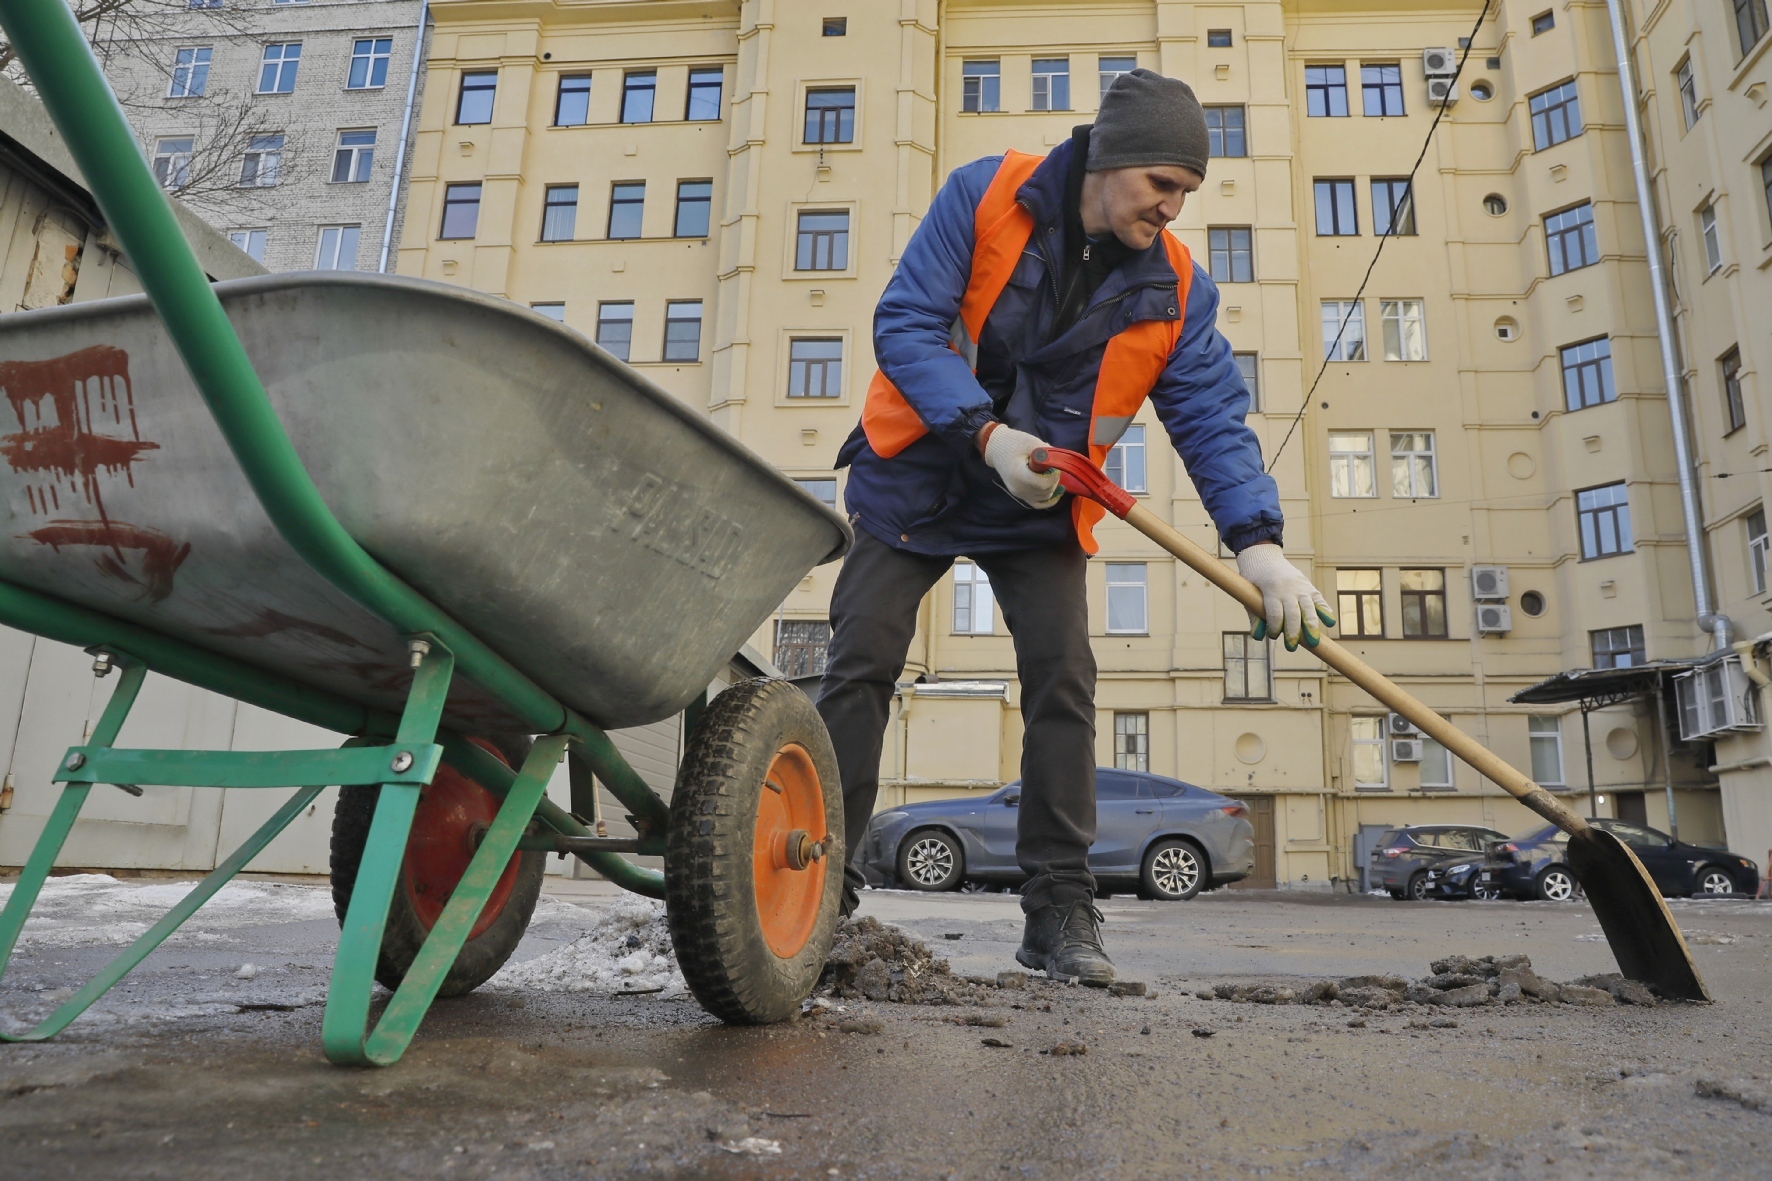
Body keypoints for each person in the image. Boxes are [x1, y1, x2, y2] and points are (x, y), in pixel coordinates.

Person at [817, 69, 1333, 984]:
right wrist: (984, 432)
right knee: (859, 667)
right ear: (1110, 159)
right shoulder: (984, 194)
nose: (1174, 209)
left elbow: (1211, 418)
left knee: (1065, 682)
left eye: (1186, 192)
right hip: (921, 475)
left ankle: (1059, 911)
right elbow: (905, 325)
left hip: (1040, 501)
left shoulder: (1176, 287)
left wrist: (1260, 544)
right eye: (1163, 186)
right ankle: (821, 896)